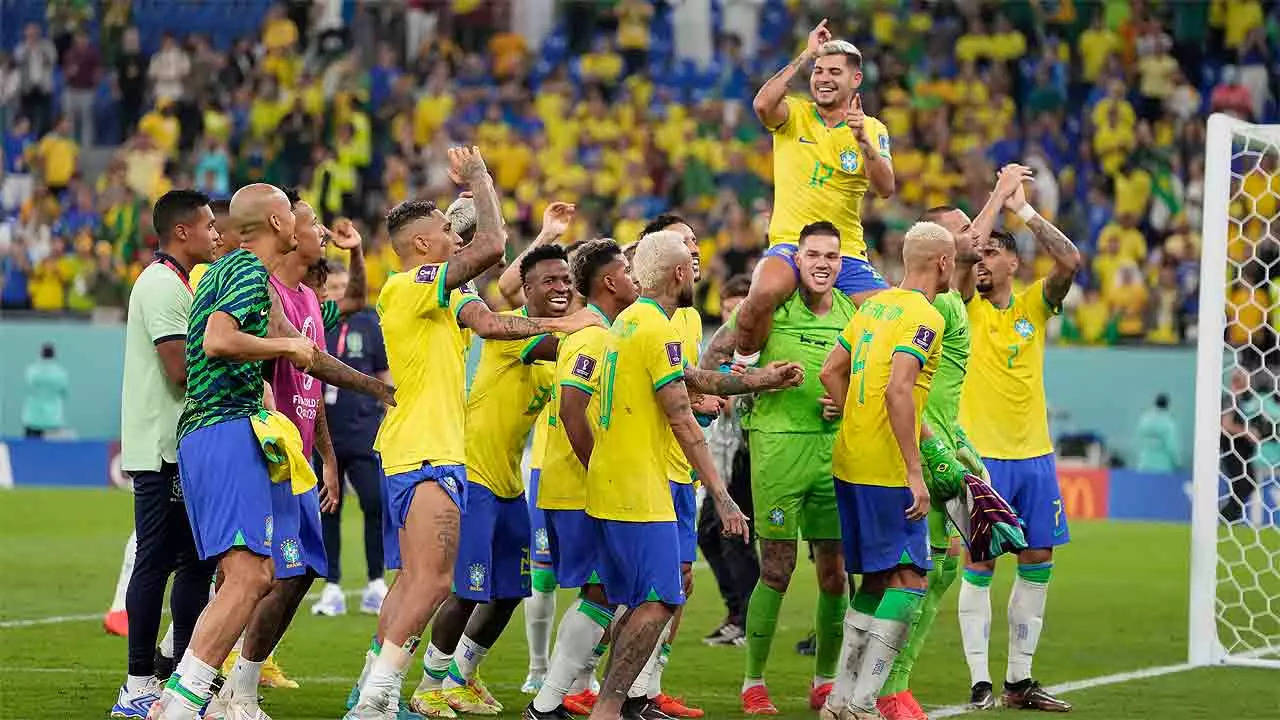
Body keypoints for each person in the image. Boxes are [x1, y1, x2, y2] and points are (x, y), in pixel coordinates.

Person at [344, 147, 601, 720]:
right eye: (443, 232)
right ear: (421, 245)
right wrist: (484, 179)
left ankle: (371, 692)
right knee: (436, 584)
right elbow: (491, 248)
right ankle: (379, 699)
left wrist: (555, 306)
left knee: (416, 582)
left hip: (440, 452)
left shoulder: (446, 298)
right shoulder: (408, 286)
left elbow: (493, 317)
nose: (454, 240)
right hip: (422, 450)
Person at [147, 183, 394, 720]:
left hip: (230, 431)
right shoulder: (243, 270)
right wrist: (283, 346)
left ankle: (181, 697)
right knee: (250, 577)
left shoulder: (249, 278)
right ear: (279, 224)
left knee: (257, 575)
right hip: (225, 428)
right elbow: (218, 339)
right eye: (294, 215)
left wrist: (378, 390)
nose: (312, 227)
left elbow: (308, 355)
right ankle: (186, 701)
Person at [583, 231, 801, 720]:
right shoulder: (657, 327)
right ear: (680, 274)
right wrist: (721, 495)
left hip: (613, 481)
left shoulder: (630, 322)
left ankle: (613, 702)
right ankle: (608, 707)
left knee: (642, 599)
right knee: (662, 600)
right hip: (641, 484)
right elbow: (683, 416)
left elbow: (694, 378)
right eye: (692, 265)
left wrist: (759, 380)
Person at [877, 168, 1027, 720]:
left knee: (937, 572)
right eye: (960, 232)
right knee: (907, 574)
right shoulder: (925, 305)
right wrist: (999, 194)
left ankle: (884, 682)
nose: (975, 238)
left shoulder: (952, 300)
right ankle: (881, 685)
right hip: (921, 445)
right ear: (940, 250)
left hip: (948, 440)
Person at [409, 244, 575, 717]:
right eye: (549, 281)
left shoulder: (558, 338)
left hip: (508, 481)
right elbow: (564, 343)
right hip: (473, 474)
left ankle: (463, 675)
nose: (561, 288)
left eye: (566, 280)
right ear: (527, 290)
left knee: (509, 591)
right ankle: (428, 686)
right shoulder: (515, 332)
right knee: (467, 590)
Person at [705, 222, 857, 715]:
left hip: (832, 455)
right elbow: (715, 360)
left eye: (831, 256)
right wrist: (754, 383)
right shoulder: (768, 309)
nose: (822, 263)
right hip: (776, 454)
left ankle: (826, 681)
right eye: (813, 254)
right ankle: (753, 682)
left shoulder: (854, 313)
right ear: (797, 259)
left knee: (834, 574)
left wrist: (845, 402)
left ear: (841, 263)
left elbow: (867, 381)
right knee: (777, 569)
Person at [208, 195, 347, 716]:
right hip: (267, 454)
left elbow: (314, 381)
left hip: (302, 457)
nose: (321, 234)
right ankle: (220, 686)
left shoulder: (309, 300)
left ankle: (231, 683)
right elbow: (246, 365)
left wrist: (327, 456)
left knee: (301, 571)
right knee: (264, 573)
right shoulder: (262, 291)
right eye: (312, 223)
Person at [816, 221, 956, 720]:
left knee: (876, 581)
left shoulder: (874, 307)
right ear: (943, 262)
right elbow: (901, 388)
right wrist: (915, 472)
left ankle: (838, 700)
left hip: (849, 460)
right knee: (911, 580)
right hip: (885, 469)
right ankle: (863, 701)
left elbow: (830, 370)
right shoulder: (925, 317)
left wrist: (856, 416)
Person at [955, 175, 1082, 712]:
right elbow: (959, 258)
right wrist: (992, 202)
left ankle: (1019, 681)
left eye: (991, 253)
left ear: (1013, 262)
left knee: (1037, 558)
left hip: (1035, 456)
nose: (980, 260)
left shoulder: (1034, 305)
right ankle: (981, 681)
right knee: (979, 564)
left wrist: (1025, 211)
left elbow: (1071, 262)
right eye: (977, 254)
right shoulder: (962, 307)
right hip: (981, 460)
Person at [108, 190, 219, 720]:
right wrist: (239, 372)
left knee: (196, 563)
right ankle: (136, 685)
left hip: (183, 444)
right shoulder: (159, 285)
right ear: (182, 233)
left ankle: (176, 676)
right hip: (161, 447)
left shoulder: (182, 283)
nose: (215, 234)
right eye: (207, 225)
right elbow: (179, 370)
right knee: (155, 560)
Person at [521, 238, 639, 720]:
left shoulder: (601, 330)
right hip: (576, 485)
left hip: (575, 482)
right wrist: (601, 471)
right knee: (601, 589)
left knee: (605, 590)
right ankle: (547, 699)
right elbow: (572, 409)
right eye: (627, 269)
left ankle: (557, 695)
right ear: (610, 282)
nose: (634, 276)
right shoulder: (591, 336)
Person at [734, 19, 894, 369]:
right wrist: (806, 54)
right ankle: (744, 370)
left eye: (834, 71)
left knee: (892, 318)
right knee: (762, 291)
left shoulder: (871, 128)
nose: (822, 78)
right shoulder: (795, 113)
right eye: (818, 71)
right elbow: (762, 105)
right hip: (791, 244)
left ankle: (851, 384)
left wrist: (864, 142)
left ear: (856, 80)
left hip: (846, 252)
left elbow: (886, 188)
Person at [631, 213, 721, 720]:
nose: (695, 251)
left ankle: (650, 683)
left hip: (680, 468)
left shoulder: (686, 317)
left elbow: (678, 379)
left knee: (679, 582)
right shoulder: (642, 315)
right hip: (652, 468)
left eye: (696, 240)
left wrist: (704, 392)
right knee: (643, 585)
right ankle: (580, 683)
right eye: (685, 244)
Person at [311, 238, 393, 619]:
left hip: (363, 430)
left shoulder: (369, 322)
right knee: (329, 508)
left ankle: (376, 582)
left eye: (345, 289)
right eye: (333, 290)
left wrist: (389, 414)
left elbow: (383, 373)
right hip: (324, 430)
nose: (339, 296)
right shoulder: (316, 321)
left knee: (375, 502)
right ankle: (332, 586)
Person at [694, 274, 758, 649]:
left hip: (745, 457)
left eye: (741, 308)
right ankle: (737, 614)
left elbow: (732, 403)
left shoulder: (755, 352)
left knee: (735, 537)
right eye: (728, 308)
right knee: (710, 534)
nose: (734, 316)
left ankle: (745, 618)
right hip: (719, 456)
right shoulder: (716, 350)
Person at [22, 343, 68, 437]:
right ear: (54, 355)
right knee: (51, 450)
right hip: (53, 420)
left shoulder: (32, 371)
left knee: (30, 449)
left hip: (33, 419)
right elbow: (64, 393)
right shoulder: (61, 373)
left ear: (40, 354)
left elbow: (28, 387)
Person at [1134, 393, 1181, 472]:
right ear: (1167, 405)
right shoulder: (1168, 423)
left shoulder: (1144, 420)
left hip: (1144, 464)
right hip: (1162, 467)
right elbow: (1172, 447)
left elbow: (1138, 441)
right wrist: (1178, 464)